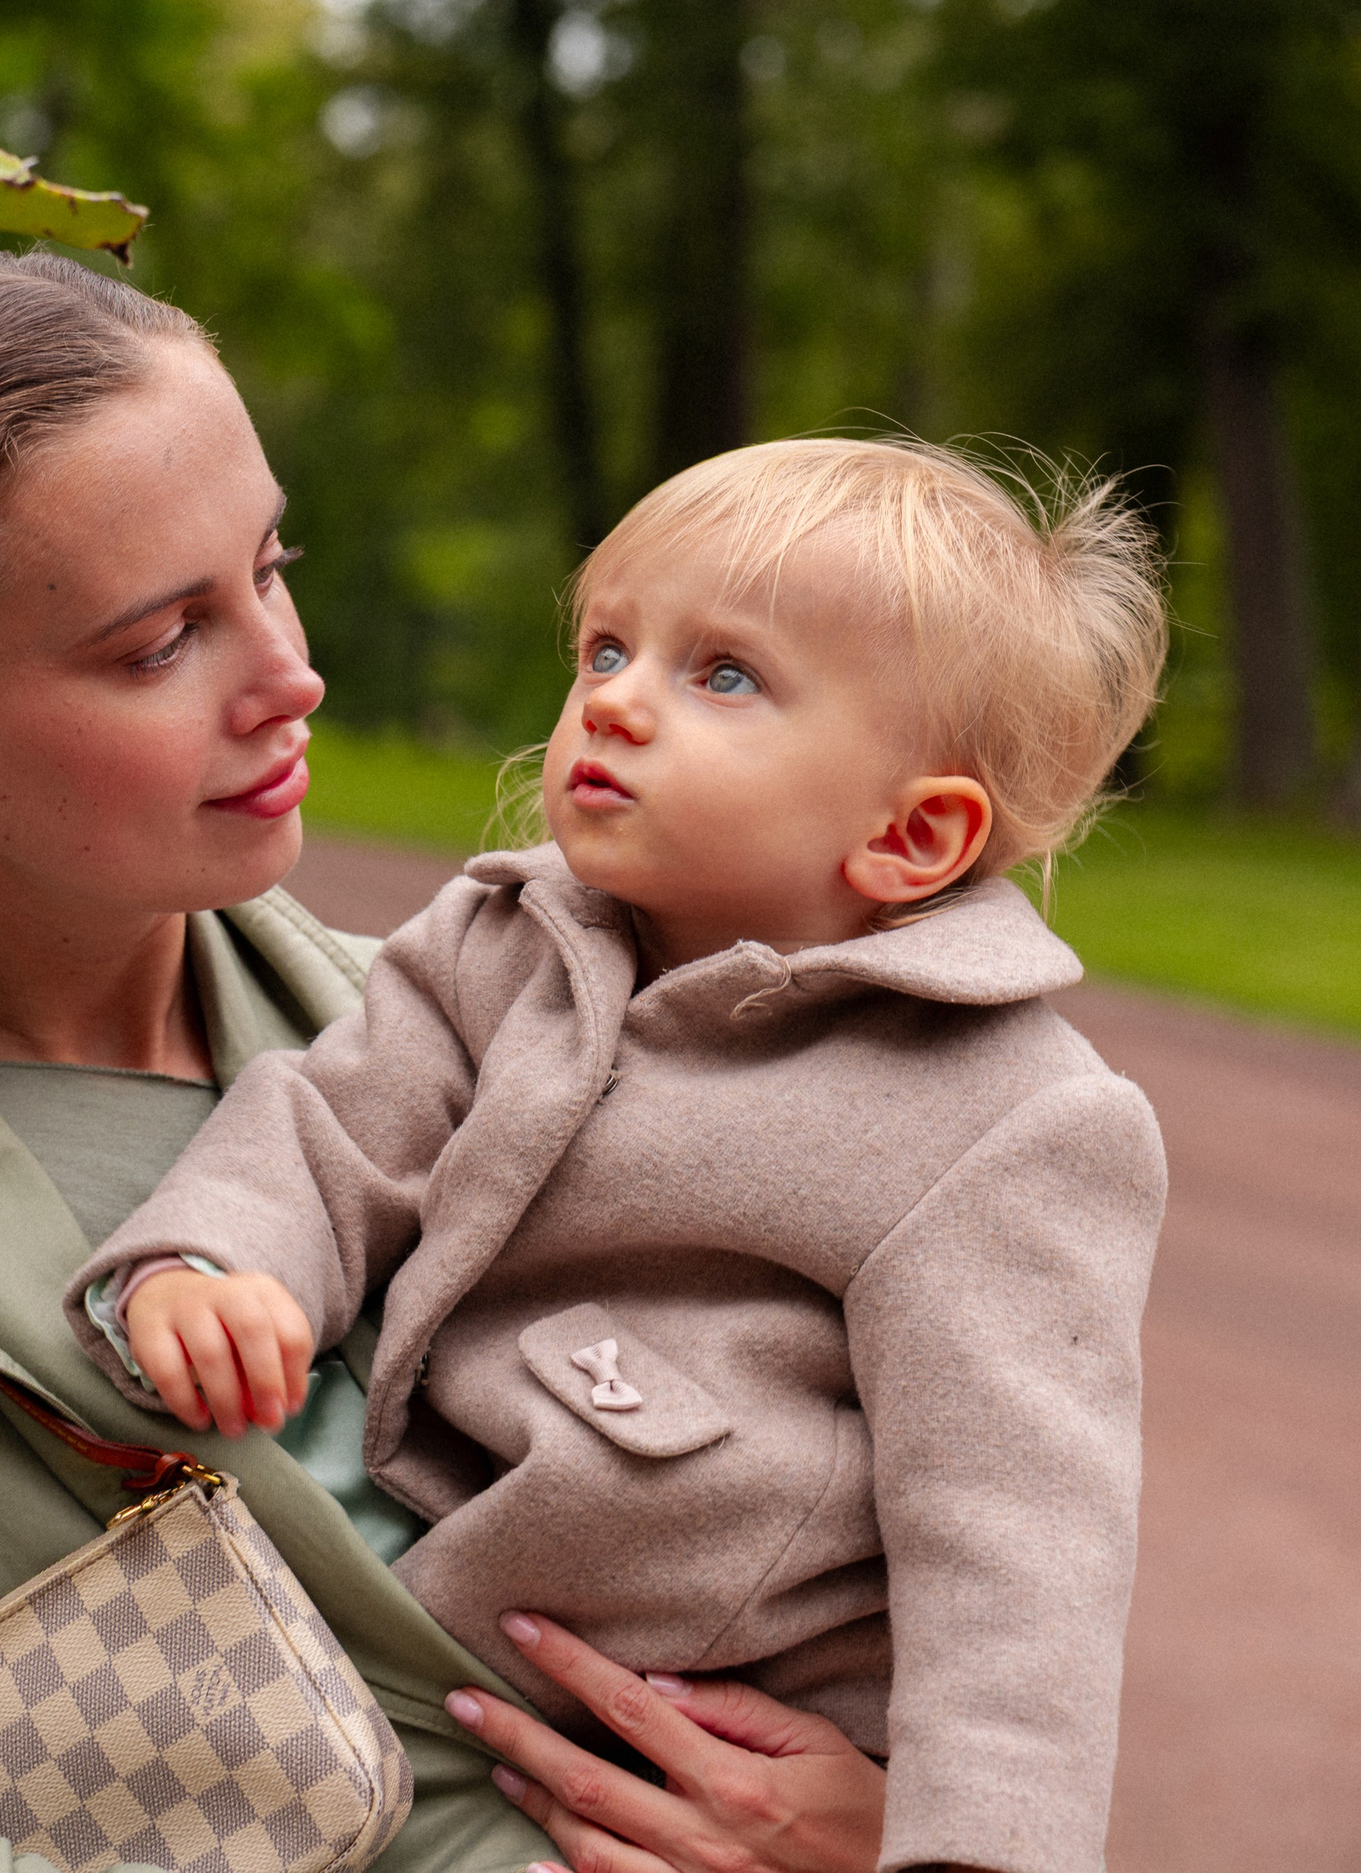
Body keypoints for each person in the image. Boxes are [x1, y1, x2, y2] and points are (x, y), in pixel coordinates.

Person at [0, 245, 894, 1873]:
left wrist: (877, 1823)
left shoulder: (498, 1027)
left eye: (270, 568)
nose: (293, 676)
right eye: (163, 642)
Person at [64, 439, 1171, 1873]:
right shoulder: (509, 939)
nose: (615, 702)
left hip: (723, 1735)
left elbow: (1021, 1554)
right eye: (606, 644)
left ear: (912, 834)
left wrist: (971, 1853)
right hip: (443, 1631)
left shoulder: (1003, 1113)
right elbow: (329, 1123)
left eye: (723, 675)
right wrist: (212, 1262)